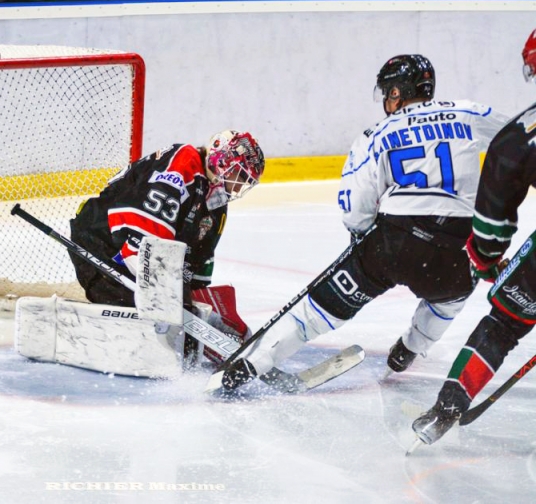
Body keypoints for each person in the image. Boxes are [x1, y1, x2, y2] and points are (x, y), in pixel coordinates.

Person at [219, 54, 509, 392]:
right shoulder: (467, 112)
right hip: (457, 246)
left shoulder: (378, 133)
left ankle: (251, 363)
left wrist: (363, 244)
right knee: (449, 299)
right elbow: (520, 138)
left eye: (388, 92)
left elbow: (356, 208)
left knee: (319, 309)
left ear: (398, 92)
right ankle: (409, 349)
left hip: (394, 241)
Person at [412, 29, 536, 446]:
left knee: (504, 321)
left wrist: (485, 260)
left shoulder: (518, 138)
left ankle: (447, 407)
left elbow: (489, 231)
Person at [68, 130, 265, 342]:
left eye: (245, 181)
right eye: (239, 175)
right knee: (145, 321)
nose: (238, 185)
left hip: (140, 255)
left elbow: (195, 268)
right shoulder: (184, 160)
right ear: (223, 159)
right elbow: (142, 242)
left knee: (176, 324)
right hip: (99, 240)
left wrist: (198, 310)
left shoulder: (216, 203)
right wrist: (170, 302)